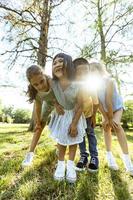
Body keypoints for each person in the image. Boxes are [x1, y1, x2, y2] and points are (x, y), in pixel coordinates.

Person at [89, 62, 133, 175]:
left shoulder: (109, 81)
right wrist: (105, 117)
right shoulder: (92, 86)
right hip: (105, 110)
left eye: (94, 70)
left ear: (99, 70)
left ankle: (127, 162)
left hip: (116, 108)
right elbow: (98, 103)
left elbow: (109, 101)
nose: (92, 72)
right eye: (90, 71)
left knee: (116, 126)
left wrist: (110, 118)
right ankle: (109, 156)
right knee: (106, 128)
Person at [49, 53, 86, 183]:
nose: (57, 64)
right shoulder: (52, 82)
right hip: (61, 114)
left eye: (60, 61)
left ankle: (70, 165)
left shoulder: (78, 85)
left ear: (69, 64)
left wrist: (74, 124)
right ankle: (60, 164)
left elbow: (81, 106)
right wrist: (56, 104)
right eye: (54, 63)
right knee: (61, 139)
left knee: (73, 139)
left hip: (74, 114)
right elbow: (50, 95)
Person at [22, 65, 64, 167]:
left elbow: (61, 94)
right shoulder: (35, 92)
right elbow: (38, 107)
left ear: (44, 75)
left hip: (60, 101)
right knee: (39, 126)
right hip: (48, 104)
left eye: (41, 81)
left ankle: (60, 148)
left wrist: (57, 105)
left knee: (62, 123)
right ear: (32, 84)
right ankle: (30, 153)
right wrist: (38, 122)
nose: (40, 86)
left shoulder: (52, 81)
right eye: (36, 84)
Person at [73, 58, 99, 172]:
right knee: (81, 136)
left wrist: (94, 116)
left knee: (90, 133)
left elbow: (96, 102)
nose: (83, 75)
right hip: (78, 117)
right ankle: (84, 155)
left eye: (86, 72)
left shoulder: (91, 85)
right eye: (79, 73)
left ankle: (94, 157)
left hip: (88, 115)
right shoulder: (72, 86)